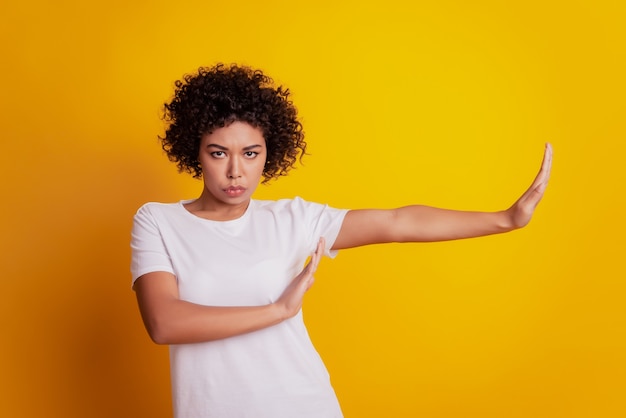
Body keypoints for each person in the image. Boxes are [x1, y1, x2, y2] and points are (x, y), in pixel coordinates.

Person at [130, 63, 552, 418]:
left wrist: (505, 219)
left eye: (251, 153)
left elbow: (397, 223)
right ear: (195, 151)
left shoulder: (293, 218)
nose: (236, 171)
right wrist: (279, 309)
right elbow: (165, 323)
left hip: (302, 404)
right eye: (218, 152)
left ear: (269, 153)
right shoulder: (158, 221)